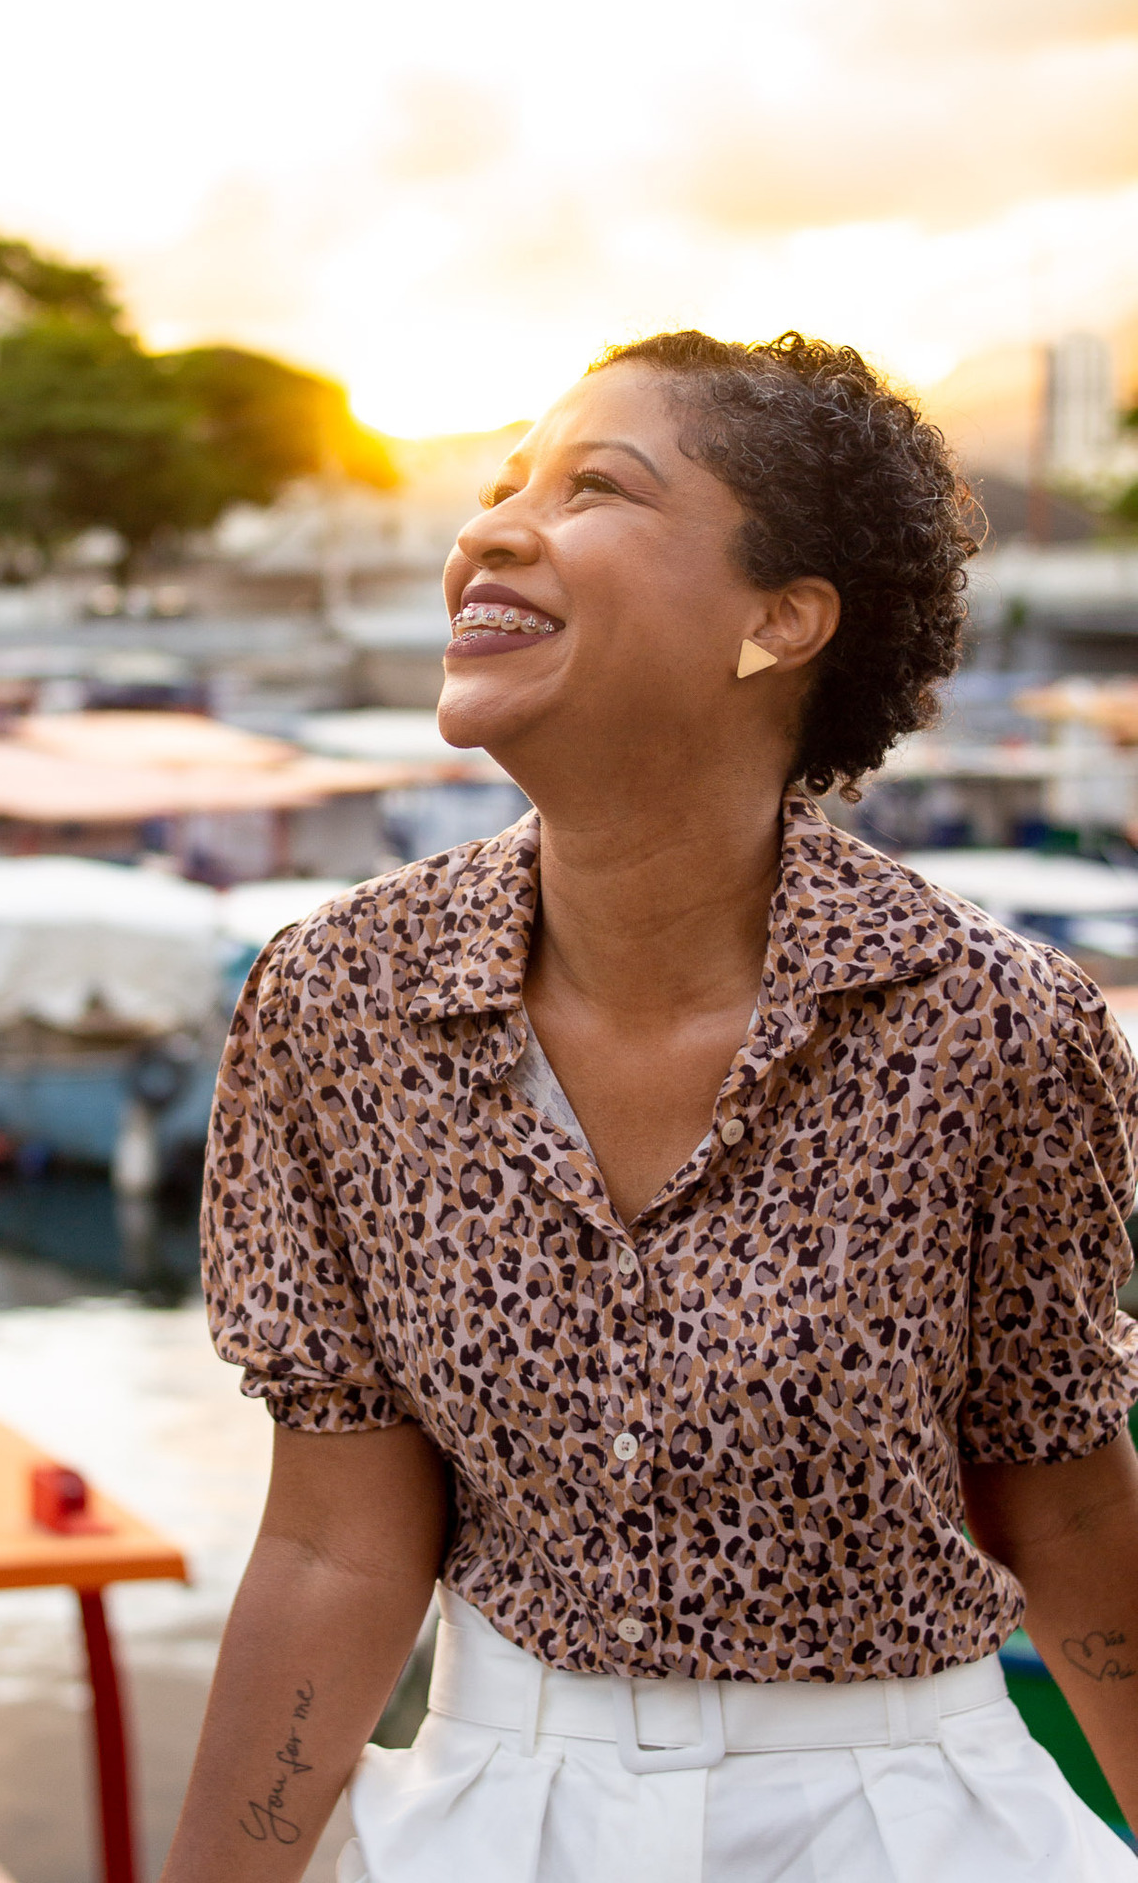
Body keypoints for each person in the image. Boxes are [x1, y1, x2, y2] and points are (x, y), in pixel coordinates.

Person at [161, 331, 1138, 1883]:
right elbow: (338, 1541)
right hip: (496, 1818)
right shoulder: (335, 1009)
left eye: (595, 488)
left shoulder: (997, 1027)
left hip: (909, 1822)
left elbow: (1068, 1507)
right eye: (500, 488)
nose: (487, 529)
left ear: (782, 620)